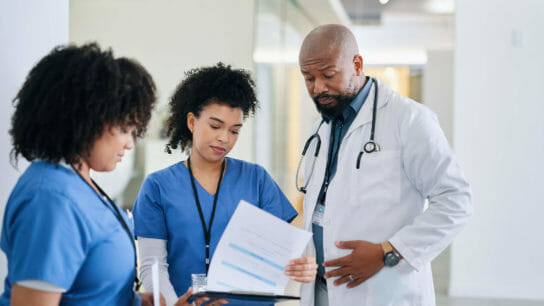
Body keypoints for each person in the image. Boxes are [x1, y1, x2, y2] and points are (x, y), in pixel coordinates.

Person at [0, 43, 206, 306]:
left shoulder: (80, 185)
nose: (129, 144)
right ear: (82, 120)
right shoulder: (51, 199)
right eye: (123, 129)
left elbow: (92, 293)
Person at [296, 24, 473, 305]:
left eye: (328, 75)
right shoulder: (323, 125)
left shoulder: (410, 120)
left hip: (382, 291)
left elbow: (456, 201)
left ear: (357, 64)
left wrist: (388, 252)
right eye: (308, 78)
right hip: (322, 292)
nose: (318, 88)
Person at [132, 63, 318, 306]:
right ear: (191, 122)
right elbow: (152, 266)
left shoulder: (256, 180)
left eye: (234, 131)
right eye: (215, 126)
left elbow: (281, 251)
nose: (224, 138)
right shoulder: (158, 187)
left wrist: (302, 264)